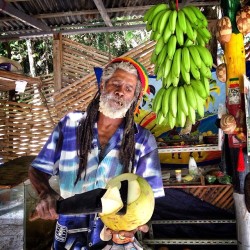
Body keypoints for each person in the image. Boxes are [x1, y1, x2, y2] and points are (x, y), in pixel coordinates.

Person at [28, 56, 165, 249]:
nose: (120, 92)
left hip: (115, 231)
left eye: (128, 89)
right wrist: (45, 193)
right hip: (68, 230)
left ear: (134, 98)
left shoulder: (143, 141)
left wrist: (133, 226)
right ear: (102, 85)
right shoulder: (70, 125)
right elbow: (38, 169)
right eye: (116, 84)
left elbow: (150, 198)